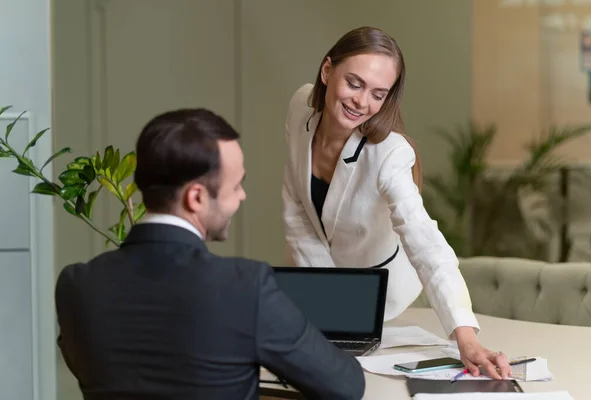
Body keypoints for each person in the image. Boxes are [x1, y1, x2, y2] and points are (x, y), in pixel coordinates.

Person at [55, 108, 365, 399]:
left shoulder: (76, 285)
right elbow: (345, 385)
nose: (242, 196)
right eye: (236, 186)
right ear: (197, 197)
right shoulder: (245, 286)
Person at [282, 26, 511, 380]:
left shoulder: (389, 154)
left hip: (384, 295)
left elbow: (426, 242)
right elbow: (297, 210)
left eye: (378, 93)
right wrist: (325, 299)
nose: (362, 102)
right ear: (327, 71)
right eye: (354, 83)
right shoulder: (300, 107)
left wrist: (466, 338)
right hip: (318, 280)